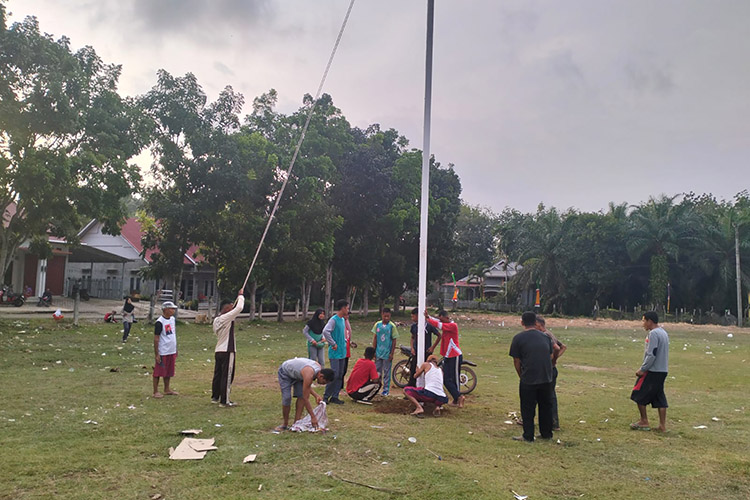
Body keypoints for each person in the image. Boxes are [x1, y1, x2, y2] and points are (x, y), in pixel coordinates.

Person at [509, 311, 559, 442]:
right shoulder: (545, 337)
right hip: (546, 377)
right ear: (535, 323)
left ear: (522, 322)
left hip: (529, 377)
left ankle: (528, 435)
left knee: (527, 407)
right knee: (545, 406)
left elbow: (516, 360)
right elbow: (551, 354)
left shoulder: (518, 338)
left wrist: (521, 375)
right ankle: (546, 433)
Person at [630, 311, 670, 432]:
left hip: (653, 370)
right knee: (659, 397)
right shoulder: (664, 333)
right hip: (663, 370)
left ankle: (643, 421)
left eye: (644, 321)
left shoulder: (653, 334)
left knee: (638, 393)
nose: (643, 324)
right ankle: (662, 425)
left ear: (650, 321)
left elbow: (651, 354)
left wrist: (643, 369)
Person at [275, 357, 335, 431]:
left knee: (300, 396)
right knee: (287, 398)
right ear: (321, 376)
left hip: (298, 374)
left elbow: (306, 387)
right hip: (286, 372)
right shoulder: (309, 374)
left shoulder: (318, 369)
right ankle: (285, 424)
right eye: (324, 382)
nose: (323, 384)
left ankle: (296, 423)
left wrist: (316, 395)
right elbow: (306, 397)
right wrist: (313, 417)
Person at [425, 309, 465, 407]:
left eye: (442, 319)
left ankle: (459, 398)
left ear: (447, 318)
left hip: (454, 356)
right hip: (447, 356)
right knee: (446, 379)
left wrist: (428, 320)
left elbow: (439, 325)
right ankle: (457, 397)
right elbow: (438, 322)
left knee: (454, 379)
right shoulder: (446, 323)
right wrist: (428, 317)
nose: (441, 321)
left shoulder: (452, 326)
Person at [211, 288, 244, 407]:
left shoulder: (216, 320)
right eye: (231, 307)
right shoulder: (226, 318)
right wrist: (241, 296)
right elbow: (239, 308)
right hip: (227, 351)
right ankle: (225, 400)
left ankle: (215, 396)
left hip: (219, 350)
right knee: (227, 375)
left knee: (218, 374)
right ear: (226, 309)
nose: (233, 310)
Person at [536, 316, 566, 430]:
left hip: (548, 370)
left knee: (548, 396)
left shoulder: (545, 335)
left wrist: (552, 361)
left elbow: (558, 348)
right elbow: (563, 346)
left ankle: (553, 423)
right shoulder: (549, 333)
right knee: (548, 395)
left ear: (539, 325)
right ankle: (553, 422)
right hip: (550, 369)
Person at [322, 299, 350, 405]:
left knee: (340, 374)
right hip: (335, 353)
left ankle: (335, 396)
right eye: (347, 308)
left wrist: (345, 341)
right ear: (342, 308)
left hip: (342, 352)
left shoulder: (343, 320)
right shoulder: (334, 319)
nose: (348, 310)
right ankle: (326, 396)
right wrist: (333, 343)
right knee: (334, 374)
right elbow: (326, 331)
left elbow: (341, 333)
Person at [408, 307, 441, 387]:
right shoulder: (414, 327)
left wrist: (432, 347)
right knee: (413, 370)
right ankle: (411, 388)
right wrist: (412, 348)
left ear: (418, 316)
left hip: (427, 351)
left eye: (413, 316)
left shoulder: (429, 326)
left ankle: (427, 387)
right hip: (416, 351)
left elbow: (439, 335)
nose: (412, 318)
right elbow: (412, 337)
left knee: (427, 370)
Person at [153, 301, 179, 399]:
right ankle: (155, 391)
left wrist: (175, 348)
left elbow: (173, 334)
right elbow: (156, 338)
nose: (173, 311)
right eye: (171, 309)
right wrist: (157, 353)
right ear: (166, 310)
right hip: (163, 350)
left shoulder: (172, 319)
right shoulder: (159, 322)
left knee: (169, 371)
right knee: (159, 371)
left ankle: (167, 389)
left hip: (171, 350)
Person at [371, 307, 399, 396]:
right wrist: (373, 351)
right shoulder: (377, 325)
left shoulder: (392, 326)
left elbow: (394, 340)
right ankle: (376, 388)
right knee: (377, 371)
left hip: (387, 353)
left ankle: (386, 390)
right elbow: (375, 338)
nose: (386, 318)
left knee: (387, 372)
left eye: (388, 316)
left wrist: (392, 353)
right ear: (382, 315)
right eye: (384, 316)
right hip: (378, 352)